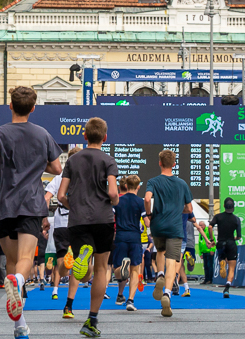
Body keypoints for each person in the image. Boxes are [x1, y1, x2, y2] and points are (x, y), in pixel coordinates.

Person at [0, 86, 62, 339]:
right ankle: (18, 282)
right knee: (25, 261)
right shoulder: (42, 133)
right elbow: (57, 168)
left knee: (14, 261)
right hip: (30, 202)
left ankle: (20, 326)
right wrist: (39, 163)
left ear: (10, 106)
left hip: (4, 202)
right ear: (33, 107)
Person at [57, 117, 119, 338]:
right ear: (105, 137)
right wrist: (115, 202)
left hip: (78, 219)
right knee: (102, 269)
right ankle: (92, 319)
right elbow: (112, 192)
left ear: (84, 136)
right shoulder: (108, 160)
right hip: (103, 218)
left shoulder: (72, 161)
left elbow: (60, 195)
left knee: (83, 273)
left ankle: (84, 257)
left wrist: (72, 205)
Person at [144, 149, 193, 318]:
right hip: (175, 227)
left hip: (158, 225)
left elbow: (147, 199)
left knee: (160, 252)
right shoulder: (182, 184)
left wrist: (149, 214)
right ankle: (167, 294)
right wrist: (181, 209)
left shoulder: (153, 181)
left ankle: (159, 274)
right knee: (172, 261)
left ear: (159, 163)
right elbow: (189, 208)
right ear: (174, 164)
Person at [46, 147, 81, 319]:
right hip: (78, 222)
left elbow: (46, 198)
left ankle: (65, 264)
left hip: (60, 222)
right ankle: (69, 306)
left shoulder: (59, 178)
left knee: (63, 267)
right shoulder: (84, 177)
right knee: (77, 268)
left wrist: (45, 219)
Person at [112, 175, 148, 311]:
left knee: (116, 268)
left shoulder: (118, 201)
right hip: (135, 237)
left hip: (120, 236)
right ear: (138, 186)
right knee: (135, 269)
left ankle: (121, 271)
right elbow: (146, 221)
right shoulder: (140, 202)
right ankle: (130, 300)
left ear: (125, 185)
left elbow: (111, 217)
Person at [209, 197, 242, 298]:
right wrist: (234, 238)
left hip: (221, 242)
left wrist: (212, 240)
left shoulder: (218, 217)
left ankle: (222, 262)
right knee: (231, 268)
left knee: (222, 258)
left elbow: (210, 227)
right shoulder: (236, 219)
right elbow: (239, 236)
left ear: (223, 206)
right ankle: (227, 288)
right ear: (233, 207)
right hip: (231, 243)